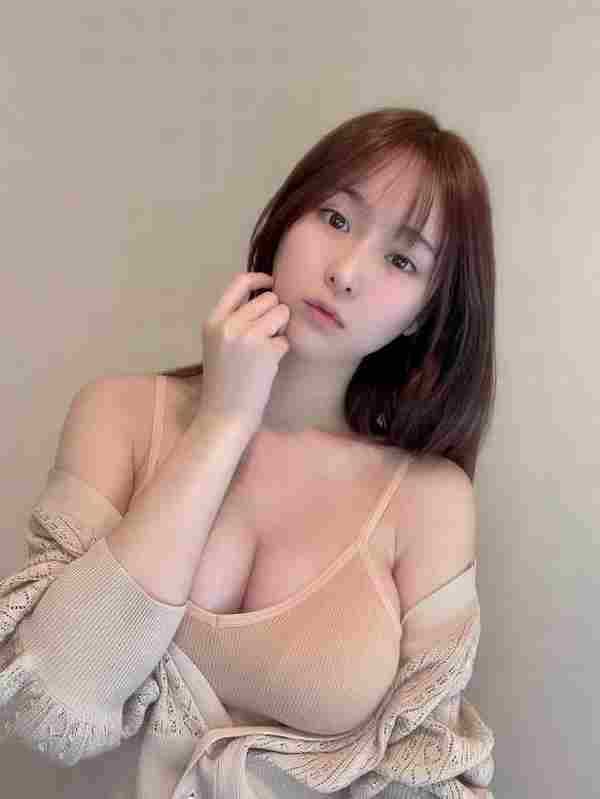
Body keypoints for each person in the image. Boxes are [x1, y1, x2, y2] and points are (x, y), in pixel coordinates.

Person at [0, 107, 496, 798]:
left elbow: (426, 772)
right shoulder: (118, 414)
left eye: (401, 259)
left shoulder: (430, 501)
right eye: (335, 219)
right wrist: (224, 421)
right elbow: (46, 705)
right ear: (287, 219)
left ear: (423, 314)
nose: (346, 272)